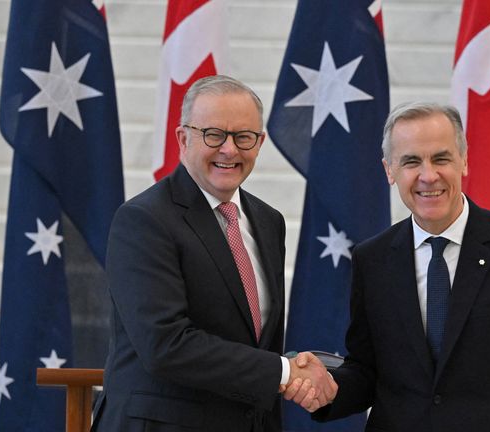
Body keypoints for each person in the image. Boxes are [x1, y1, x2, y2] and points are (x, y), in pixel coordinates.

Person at [297, 102, 490, 431]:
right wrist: (329, 389)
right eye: (411, 162)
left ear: (464, 160)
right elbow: (368, 371)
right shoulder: (372, 259)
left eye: (441, 158)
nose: (428, 175)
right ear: (389, 171)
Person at [91, 75, 335, 432]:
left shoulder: (269, 221)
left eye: (243, 136)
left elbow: (256, 341)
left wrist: (287, 372)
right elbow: (165, 345)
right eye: (214, 134)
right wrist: (284, 371)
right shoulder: (144, 220)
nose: (229, 150)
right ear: (183, 138)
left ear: (260, 142)